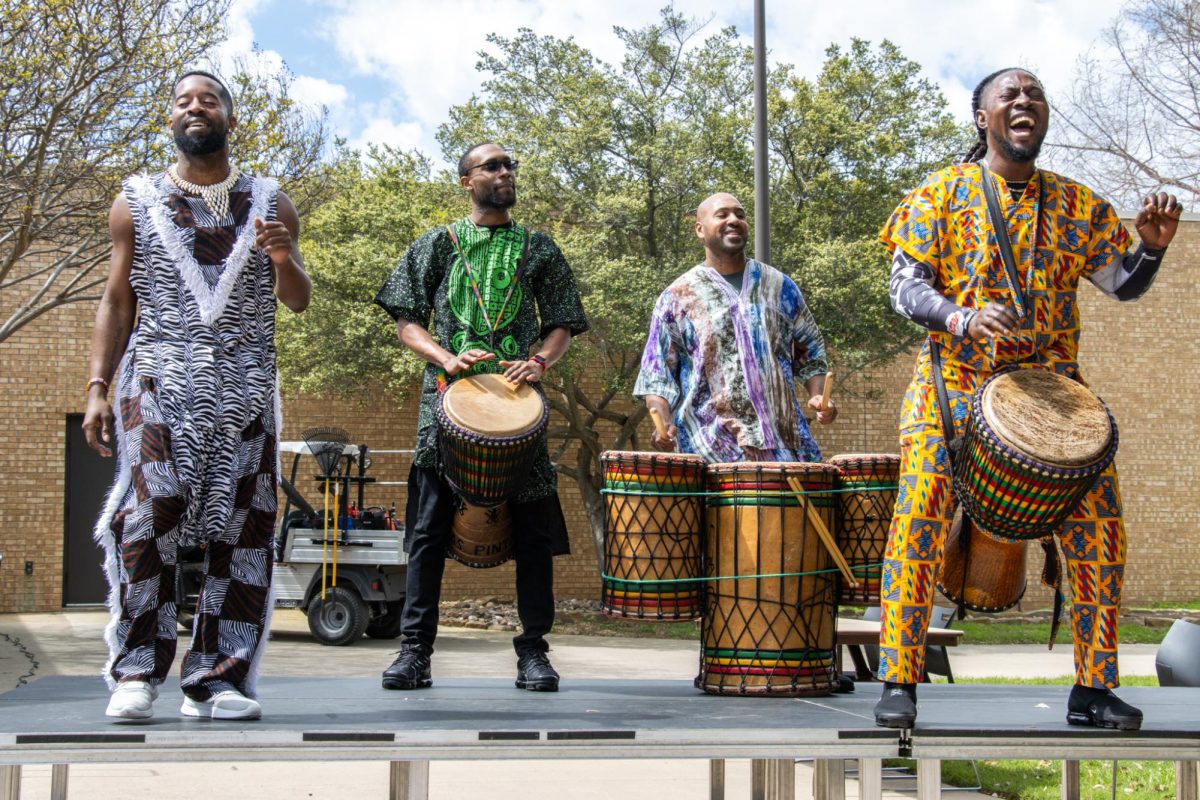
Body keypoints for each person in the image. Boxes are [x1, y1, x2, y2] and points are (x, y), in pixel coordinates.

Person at [874, 67, 1182, 730]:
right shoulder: (940, 195)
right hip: (951, 394)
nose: (1024, 101)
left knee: (1101, 531)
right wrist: (960, 317)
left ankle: (1094, 689)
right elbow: (905, 289)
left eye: (1034, 94)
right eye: (1009, 94)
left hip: (1053, 403)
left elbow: (1121, 283)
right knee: (918, 524)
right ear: (982, 116)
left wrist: (1151, 253)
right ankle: (899, 678)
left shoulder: (1079, 205)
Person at [83, 71, 311, 720]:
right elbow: (115, 300)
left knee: (243, 531)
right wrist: (97, 386)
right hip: (158, 377)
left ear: (229, 120)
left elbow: (296, 300)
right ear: (171, 119)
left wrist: (282, 257)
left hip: (243, 388)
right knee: (151, 514)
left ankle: (220, 677)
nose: (194, 106)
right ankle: (136, 669)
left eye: (208, 99)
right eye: (183, 99)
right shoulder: (135, 201)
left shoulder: (271, 203)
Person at [374, 143, 588, 693]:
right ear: (467, 181)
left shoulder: (539, 247)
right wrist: (445, 357)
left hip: (519, 411)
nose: (505, 172)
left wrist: (539, 359)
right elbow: (405, 322)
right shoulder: (436, 245)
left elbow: (563, 322)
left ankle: (534, 653)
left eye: (509, 165)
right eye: (492, 166)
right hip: (443, 409)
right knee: (425, 534)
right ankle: (414, 652)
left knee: (535, 538)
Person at [634, 192, 836, 461]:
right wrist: (663, 420)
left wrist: (820, 397)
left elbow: (810, 352)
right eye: (722, 215)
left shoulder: (780, 287)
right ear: (700, 230)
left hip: (785, 446)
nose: (734, 220)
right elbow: (657, 374)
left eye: (740, 215)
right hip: (711, 450)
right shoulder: (677, 297)